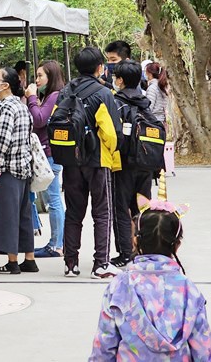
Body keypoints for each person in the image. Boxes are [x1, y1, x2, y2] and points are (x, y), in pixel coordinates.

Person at [89, 202, 211, 361]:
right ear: (177, 245)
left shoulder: (120, 287)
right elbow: (203, 352)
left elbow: (103, 348)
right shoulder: (188, 290)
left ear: (135, 241)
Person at [62, 46, 122, 279]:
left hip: (70, 160)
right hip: (97, 161)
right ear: (100, 68)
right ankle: (100, 263)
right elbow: (111, 132)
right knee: (102, 213)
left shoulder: (66, 91)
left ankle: (70, 264)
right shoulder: (104, 93)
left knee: (73, 213)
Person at [0, 66, 37, 274]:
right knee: (24, 214)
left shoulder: (6, 108)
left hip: (7, 170)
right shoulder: (21, 106)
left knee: (8, 215)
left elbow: (3, 142)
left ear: (5, 85)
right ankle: (29, 259)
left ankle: (12, 262)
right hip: (23, 168)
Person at [110, 59, 156, 270]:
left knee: (122, 208)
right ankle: (144, 248)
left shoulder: (116, 102)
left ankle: (125, 253)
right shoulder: (145, 102)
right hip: (146, 163)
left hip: (124, 163)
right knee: (142, 208)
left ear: (120, 80)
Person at [25, 61, 66, 258]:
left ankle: (57, 244)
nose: (37, 79)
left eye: (41, 76)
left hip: (49, 153)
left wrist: (32, 97)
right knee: (53, 198)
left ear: (51, 77)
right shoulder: (51, 96)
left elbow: (39, 119)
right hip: (50, 152)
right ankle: (58, 242)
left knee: (53, 199)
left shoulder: (54, 96)